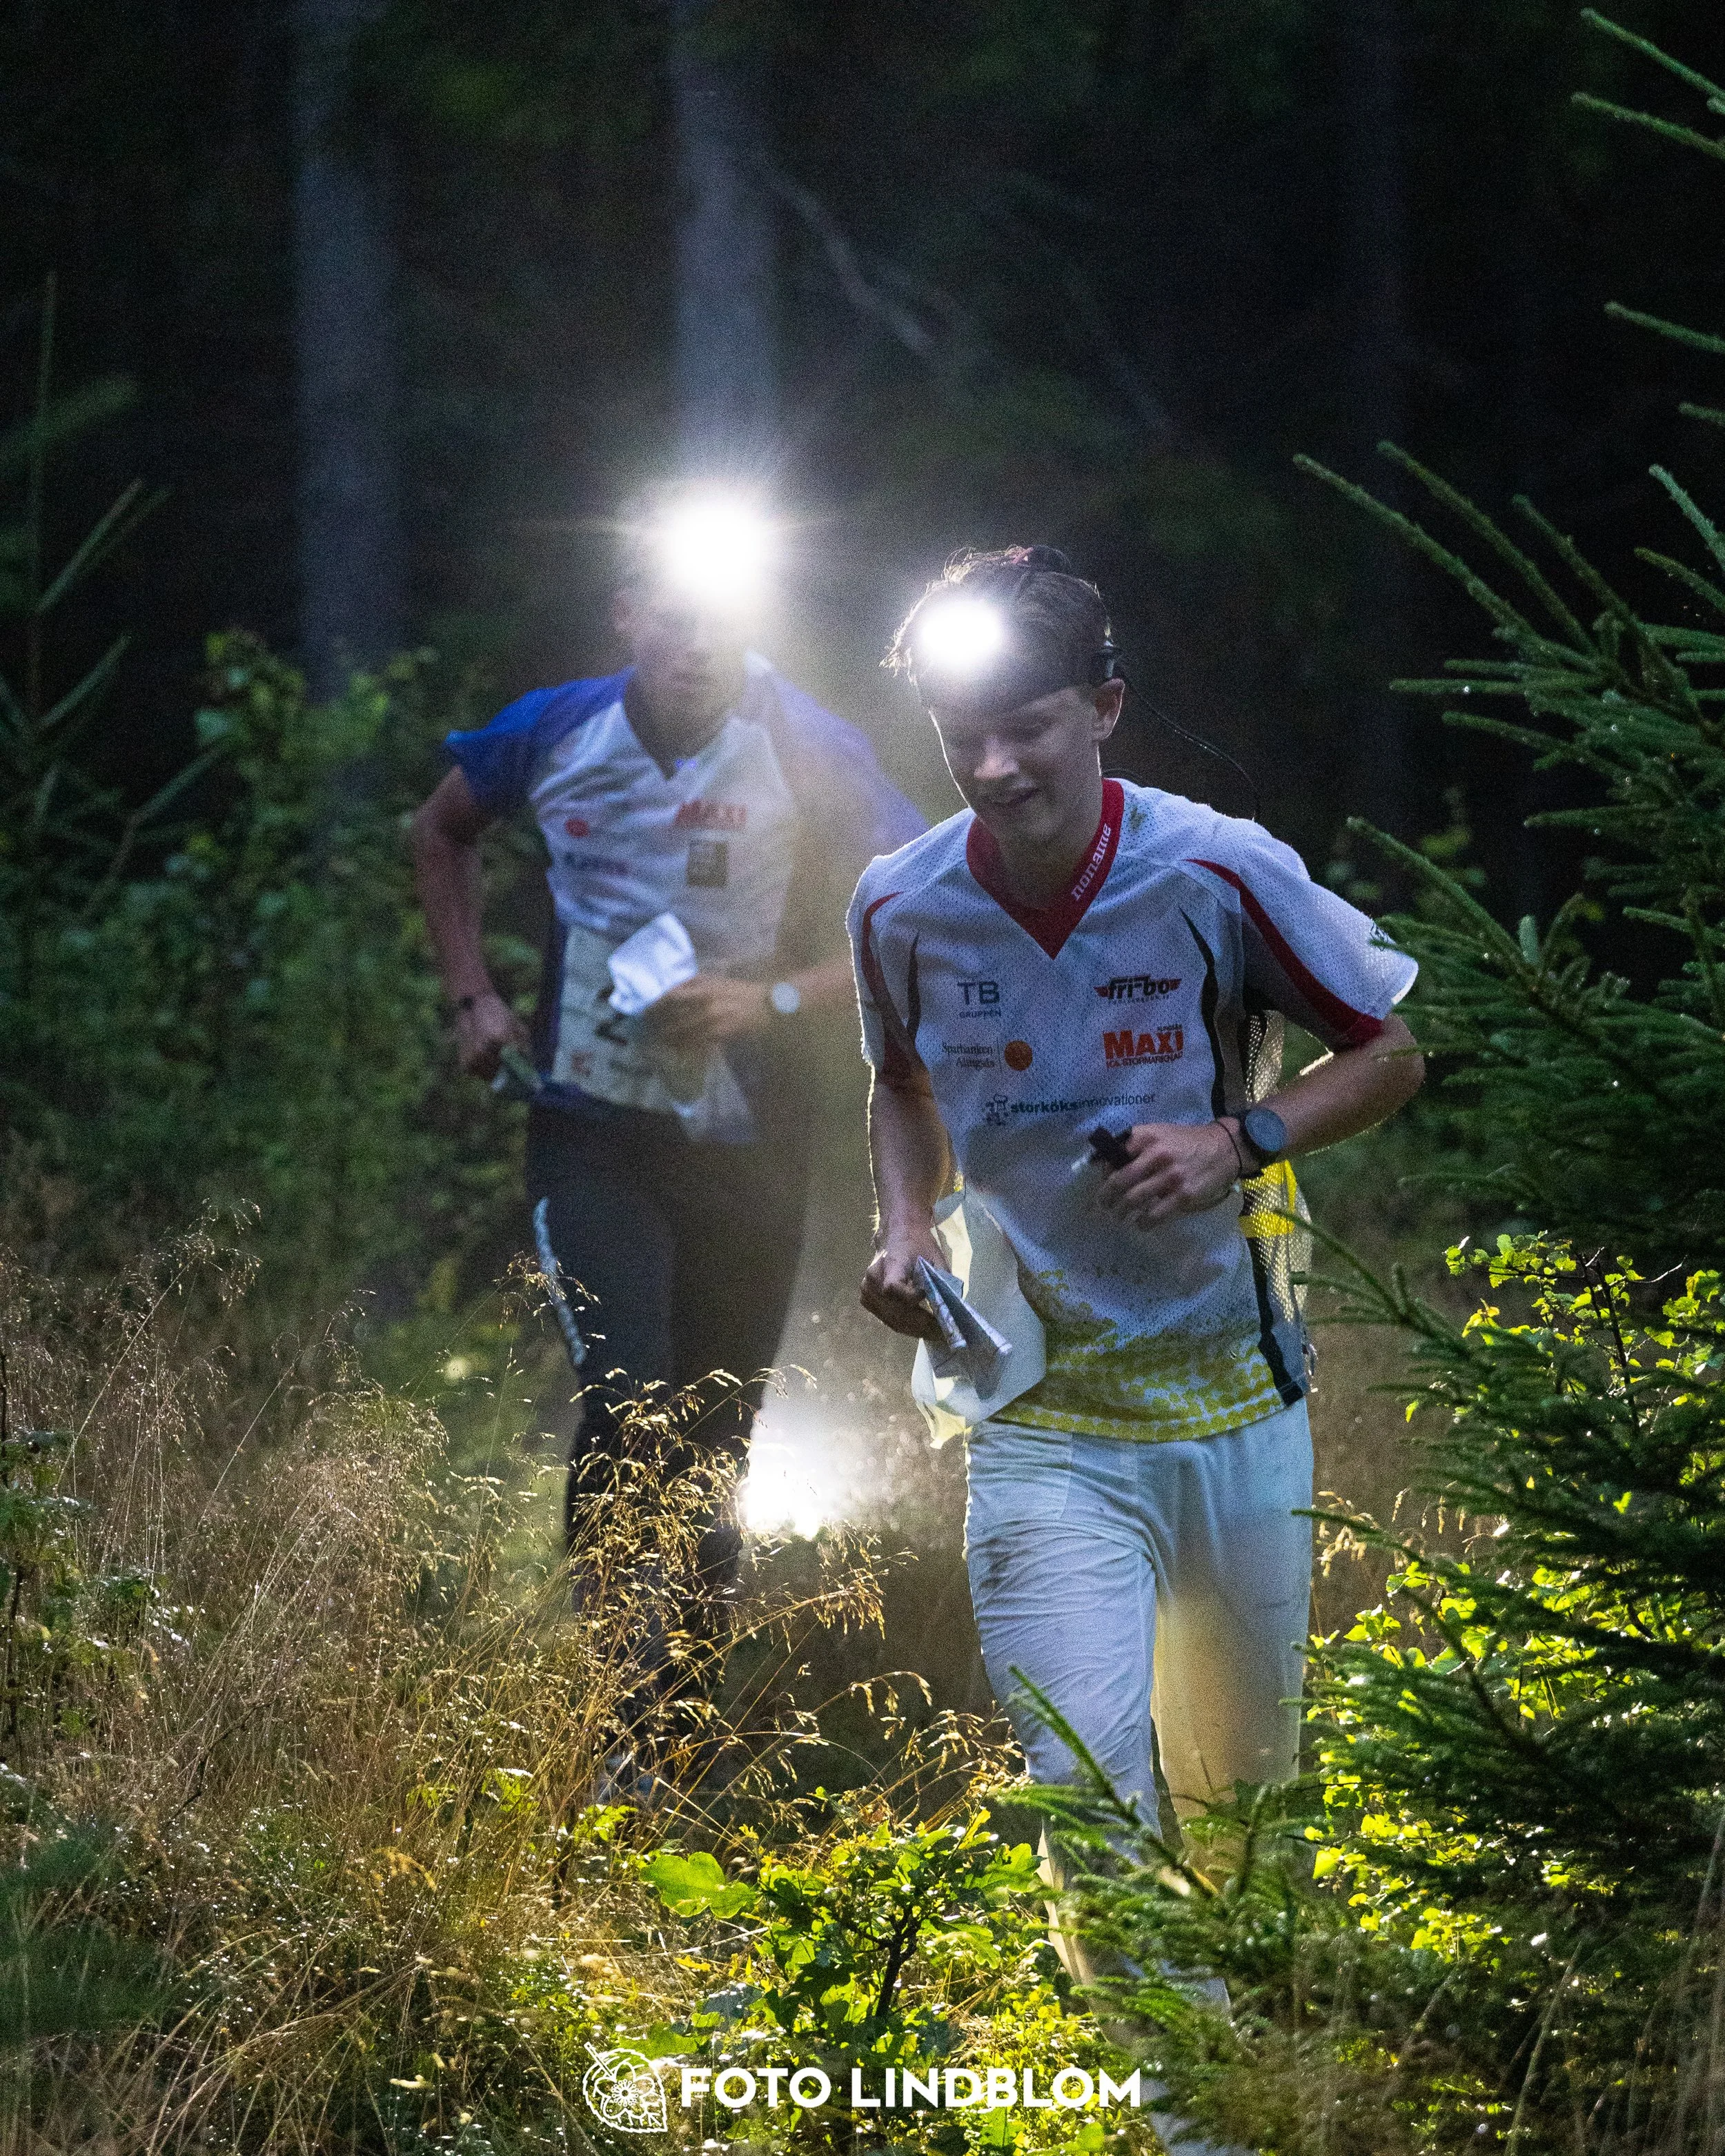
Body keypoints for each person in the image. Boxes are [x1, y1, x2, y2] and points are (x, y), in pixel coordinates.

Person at [849, 544, 1423, 1849]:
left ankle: (1241, 2057)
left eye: (1029, 730)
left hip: (1237, 1403)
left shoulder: (1215, 871)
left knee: (1241, 1814)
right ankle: (1150, 2066)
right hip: (1040, 1419)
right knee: (1087, 1799)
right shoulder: (899, 904)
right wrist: (899, 1228)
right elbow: (899, 1087)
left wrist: (1241, 1140)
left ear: (1104, 708)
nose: (996, 769)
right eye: (963, 739)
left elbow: (1391, 1055)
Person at [411, 494, 923, 1728]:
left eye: (725, 626)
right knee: (630, 1397)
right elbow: (438, 833)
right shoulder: (556, 731)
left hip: (749, 1144)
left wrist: (774, 1002)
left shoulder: (804, 743)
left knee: (714, 1425)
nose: (699, 649)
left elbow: (907, 905)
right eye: (676, 622)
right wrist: (475, 998)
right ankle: (603, 1699)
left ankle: (681, 1717)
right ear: (630, 617)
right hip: (590, 1121)